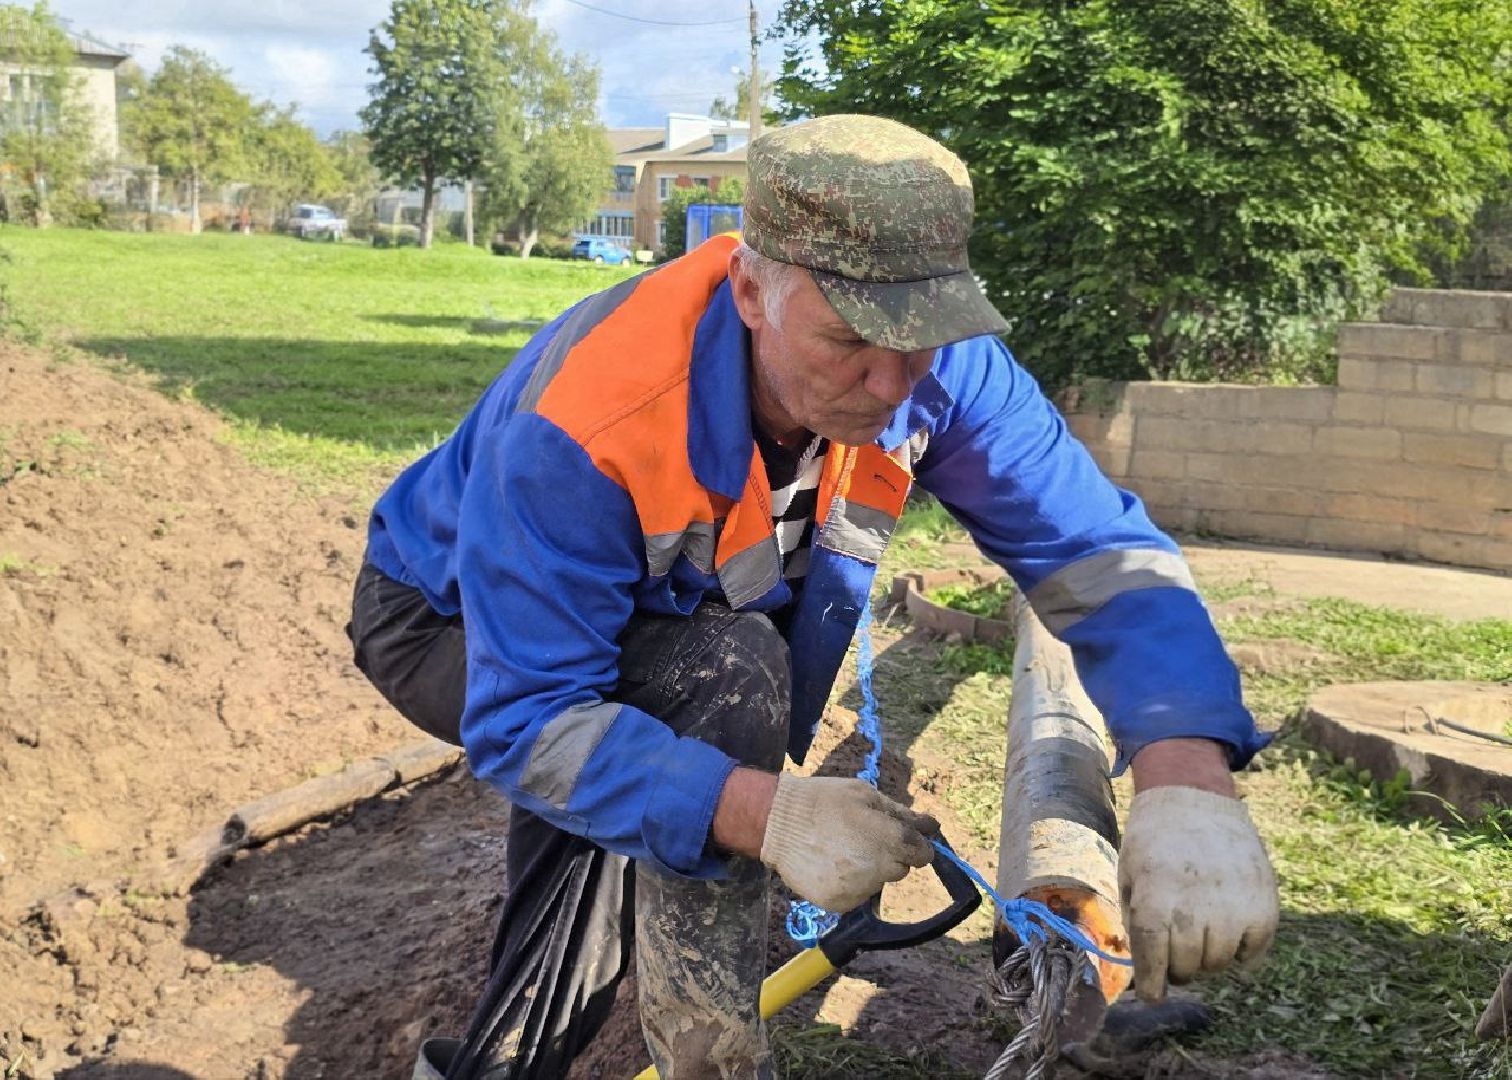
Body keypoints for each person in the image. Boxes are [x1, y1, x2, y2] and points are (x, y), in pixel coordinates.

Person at [348, 114, 1280, 1080]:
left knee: (693, 710)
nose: (889, 383)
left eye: (917, 342)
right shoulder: (588, 422)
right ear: (751, 292)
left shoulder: (936, 362)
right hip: (442, 615)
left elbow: (1094, 551)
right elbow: (532, 716)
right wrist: (766, 815)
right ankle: (632, 1061)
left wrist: (1187, 781)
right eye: (850, 341)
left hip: (655, 616)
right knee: (696, 699)